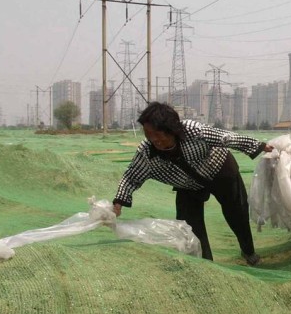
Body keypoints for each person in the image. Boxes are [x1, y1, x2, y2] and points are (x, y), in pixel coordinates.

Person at [112, 102, 270, 265]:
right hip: (187, 184)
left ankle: (248, 251)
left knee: (237, 212)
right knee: (188, 226)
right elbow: (131, 176)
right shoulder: (146, 152)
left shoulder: (193, 130)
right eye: (148, 135)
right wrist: (119, 201)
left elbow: (226, 137)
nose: (154, 140)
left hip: (219, 168)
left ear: (171, 129)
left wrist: (259, 146)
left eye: (157, 134)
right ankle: (203, 264)